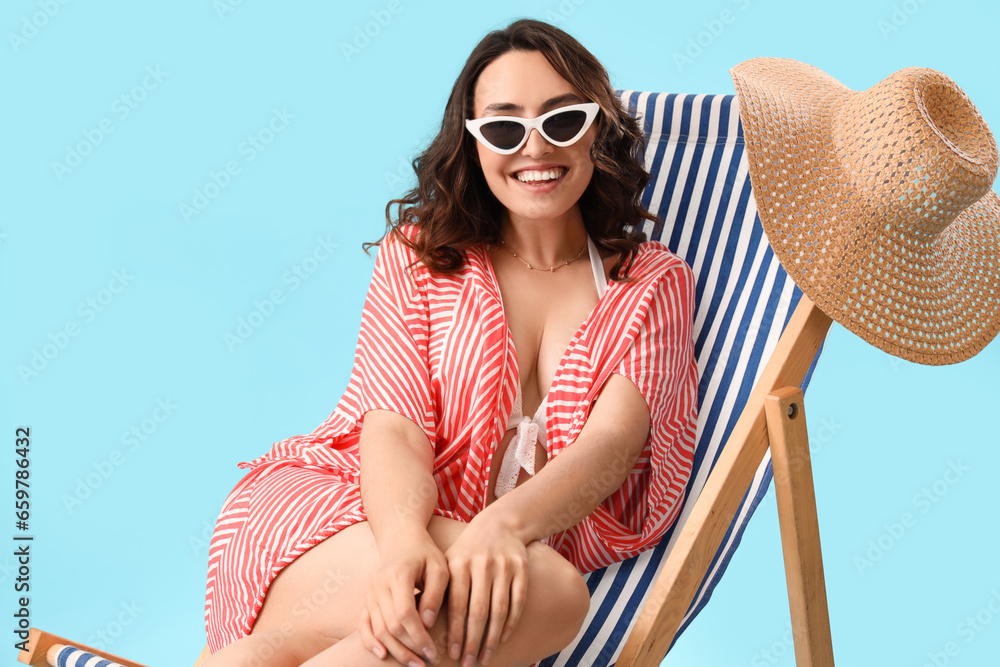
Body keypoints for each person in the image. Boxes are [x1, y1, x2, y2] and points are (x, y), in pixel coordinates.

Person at [202, 17, 698, 667]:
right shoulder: (420, 256)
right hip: (343, 517)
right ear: (473, 143)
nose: (535, 148)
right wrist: (404, 541)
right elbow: (394, 429)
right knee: (550, 589)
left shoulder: (647, 281)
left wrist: (503, 525)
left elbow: (612, 443)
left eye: (561, 120)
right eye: (503, 127)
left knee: (302, 652)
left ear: (596, 127)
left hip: (474, 567)